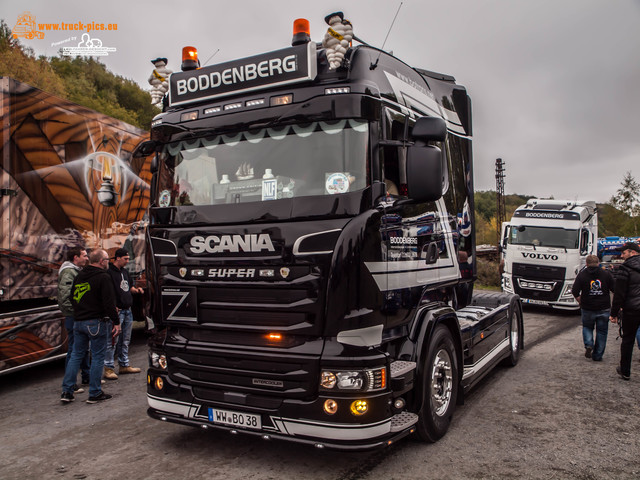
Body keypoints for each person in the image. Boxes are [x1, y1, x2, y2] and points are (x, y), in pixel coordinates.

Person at [60, 249, 120, 403]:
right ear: (101, 261)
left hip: (78, 321)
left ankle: (67, 391)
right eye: (107, 259)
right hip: (96, 321)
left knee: (76, 355)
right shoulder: (103, 277)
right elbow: (109, 302)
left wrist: (80, 311)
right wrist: (116, 321)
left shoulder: (80, 275)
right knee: (98, 356)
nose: (109, 262)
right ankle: (94, 392)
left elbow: (72, 296)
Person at [104, 248, 142, 380]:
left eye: (128, 259)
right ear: (117, 258)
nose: (127, 261)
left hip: (128, 310)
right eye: (125, 259)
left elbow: (128, 287)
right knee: (113, 340)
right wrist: (112, 307)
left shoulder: (125, 272)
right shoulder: (109, 273)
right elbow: (108, 293)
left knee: (125, 340)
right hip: (118, 311)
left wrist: (136, 291)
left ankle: (124, 365)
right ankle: (108, 367)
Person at [57, 247, 89, 393]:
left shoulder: (76, 271)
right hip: (74, 317)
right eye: (84, 255)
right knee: (74, 350)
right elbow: (65, 297)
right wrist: (76, 312)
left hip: (77, 316)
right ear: (75, 258)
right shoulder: (69, 272)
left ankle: (87, 376)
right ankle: (71, 384)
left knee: (81, 347)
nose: (86, 258)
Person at [571, 255, 615, 361]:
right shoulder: (606, 274)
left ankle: (589, 344)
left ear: (586, 263)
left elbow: (575, 291)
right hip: (603, 307)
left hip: (587, 307)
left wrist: (579, 300)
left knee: (587, 327)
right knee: (602, 331)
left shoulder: (582, 275)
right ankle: (598, 355)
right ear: (598, 263)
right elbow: (614, 289)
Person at [609, 242, 640, 380]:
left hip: (631, 309)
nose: (621, 256)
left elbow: (619, 294)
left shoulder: (625, 268)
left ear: (632, 253)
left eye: (624, 253)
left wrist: (614, 313)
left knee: (628, 339)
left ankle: (625, 370)